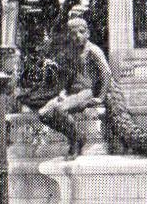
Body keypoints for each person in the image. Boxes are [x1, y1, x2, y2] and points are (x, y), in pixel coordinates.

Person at [37, 13, 111, 159]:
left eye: (81, 32)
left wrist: (100, 97)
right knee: (43, 114)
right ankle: (76, 136)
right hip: (71, 92)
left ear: (88, 33)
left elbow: (106, 73)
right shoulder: (72, 52)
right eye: (73, 33)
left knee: (60, 109)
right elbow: (69, 76)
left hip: (86, 92)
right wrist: (63, 92)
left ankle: (75, 142)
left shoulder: (93, 51)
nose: (77, 36)